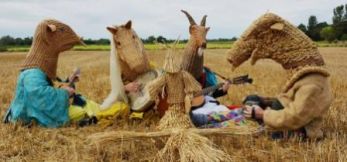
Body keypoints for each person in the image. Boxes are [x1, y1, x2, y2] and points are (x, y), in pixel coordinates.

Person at [227, 13, 332, 139]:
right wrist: (265, 101)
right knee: (252, 100)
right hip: (282, 117)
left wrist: (262, 114)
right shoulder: (307, 77)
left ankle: (217, 120)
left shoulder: (311, 85)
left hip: (299, 129)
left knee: (253, 128)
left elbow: (295, 117)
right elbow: (291, 100)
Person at [3, 19, 86, 127]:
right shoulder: (32, 73)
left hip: (27, 116)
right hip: (25, 118)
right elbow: (40, 95)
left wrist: (68, 82)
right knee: (80, 112)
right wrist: (64, 94)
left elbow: (45, 86)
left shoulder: (35, 70)